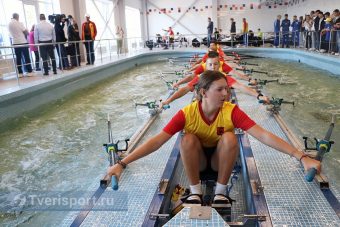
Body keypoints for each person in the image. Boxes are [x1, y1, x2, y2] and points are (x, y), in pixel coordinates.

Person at [108, 71, 321, 205]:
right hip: (197, 163)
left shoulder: (231, 111)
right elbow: (157, 141)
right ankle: (195, 193)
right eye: (220, 90)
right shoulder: (187, 113)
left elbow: (263, 134)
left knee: (230, 138)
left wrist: (301, 156)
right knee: (187, 139)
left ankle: (221, 193)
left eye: (227, 89)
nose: (226, 94)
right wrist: (122, 163)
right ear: (203, 92)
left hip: (221, 161)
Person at [161, 51, 269, 107]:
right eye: (210, 65)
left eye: (216, 64)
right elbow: (184, 89)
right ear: (206, 65)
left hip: (219, 106)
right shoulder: (200, 77)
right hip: (205, 107)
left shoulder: (224, 78)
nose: (213, 67)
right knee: (196, 90)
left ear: (219, 64)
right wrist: (168, 101)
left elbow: (241, 86)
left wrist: (259, 95)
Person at [8, 13, 33, 77]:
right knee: (26, 57)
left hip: (15, 43)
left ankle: (20, 73)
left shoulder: (9, 24)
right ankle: (29, 71)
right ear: (17, 17)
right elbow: (26, 33)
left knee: (18, 58)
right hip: (23, 42)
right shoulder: (19, 23)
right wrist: (26, 31)